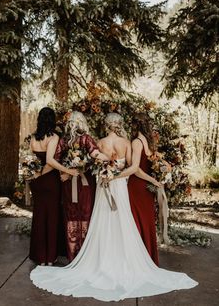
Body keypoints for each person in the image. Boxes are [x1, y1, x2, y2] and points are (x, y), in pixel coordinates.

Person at [30, 112, 197, 301]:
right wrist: (116, 174)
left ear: (107, 125)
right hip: (118, 185)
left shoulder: (100, 142)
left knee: (102, 220)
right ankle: (124, 260)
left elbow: (95, 160)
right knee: (122, 220)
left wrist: (105, 173)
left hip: (104, 184)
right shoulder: (126, 143)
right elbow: (130, 167)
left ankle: (101, 260)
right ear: (119, 125)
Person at [54, 111, 108, 262]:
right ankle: (84, 256)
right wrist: (111, 160)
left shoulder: (64, 140)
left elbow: (56, 159)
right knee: (85, 214)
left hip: (70, 183)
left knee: (72, 215)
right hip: (84, 184)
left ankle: (73, 256)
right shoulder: (86, 139)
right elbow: (95, 154)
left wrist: (65, 172)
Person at [29, 107, 78, 266]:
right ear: (53, 120)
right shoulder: (54, 137)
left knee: (39, 216)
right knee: (52, 217)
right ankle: (50, 257)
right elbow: (50, 159)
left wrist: (36, 173)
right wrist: (68, 170)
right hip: (50, 180)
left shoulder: (33, 138)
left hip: (37, 181)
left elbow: (31, 159)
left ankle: (40, 257)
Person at [126, 113, 162, 265]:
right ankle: (148, 258)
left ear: (135, 125)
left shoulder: (136, 142)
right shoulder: (148, 141)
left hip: (138, 185)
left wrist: (154, 179)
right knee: (145, 220)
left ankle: (139, 261)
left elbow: (136, 169)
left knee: (138, 221)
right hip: (146, 187)